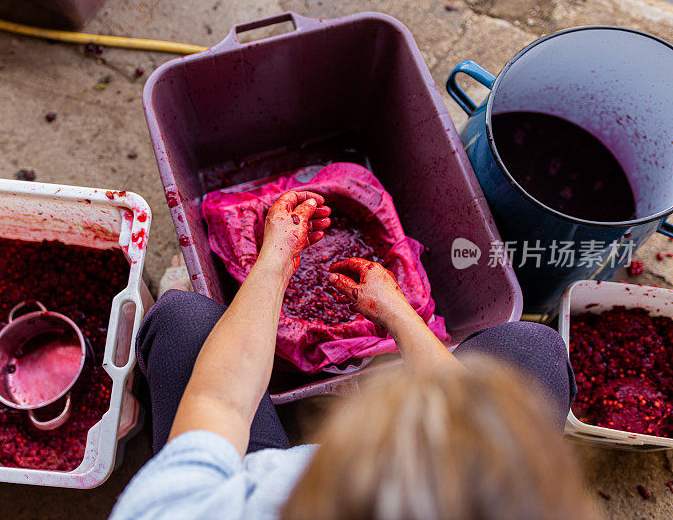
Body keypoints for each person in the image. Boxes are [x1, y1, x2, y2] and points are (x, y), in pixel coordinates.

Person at [111, 190, 591, 520]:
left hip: (235, 471)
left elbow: (219, 401)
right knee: (533, 350)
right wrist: (399, 316)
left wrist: (274, 263)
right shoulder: (507, 503)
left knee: (181, 321)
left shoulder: (185, 509)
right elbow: (479, 435)